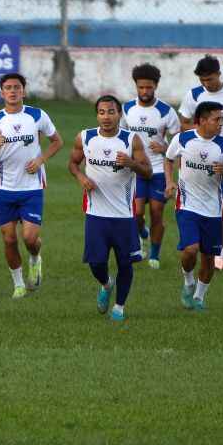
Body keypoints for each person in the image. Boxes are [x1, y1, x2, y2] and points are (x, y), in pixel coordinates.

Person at [0, 72, 62, 298]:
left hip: (32, 187)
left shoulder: (36, 115)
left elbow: (57, 141)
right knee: (9, 239)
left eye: (16, 87)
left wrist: (41, 159)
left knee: (30, 238)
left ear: (23, 90)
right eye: (8, 88)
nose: (13, 91)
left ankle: (35, 258)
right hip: (4, 188)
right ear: (2, 92)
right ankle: (18, 284)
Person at [68, 95, 152, 322]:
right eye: (102, 112)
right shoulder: (85, 137)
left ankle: (119, 307)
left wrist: (132, 163)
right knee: (96, 263)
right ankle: (106, 284)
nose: (106, 117)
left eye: (111, 112)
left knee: (125, 263)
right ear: (97, 115)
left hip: (124, 216)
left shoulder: (131, 140)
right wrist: (81, 178)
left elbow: (148, 172)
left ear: (119, 115)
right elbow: (73, 163)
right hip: (96, 214)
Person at [165, 101, 223, 311]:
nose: (221, 123)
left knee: (208, 258)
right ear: (202, 120)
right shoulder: (183, 138)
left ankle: (198, 297)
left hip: (213, 209)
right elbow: (169, 159)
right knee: (190, 249)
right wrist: (170, 182)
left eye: (222, 119)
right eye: (217, 119)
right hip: (187, 204)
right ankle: (188, 281)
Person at [178, 55, 223, 269]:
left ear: (219, 74)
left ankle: (222, 251)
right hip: (199, 157)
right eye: (202, 80)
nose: (205, 84)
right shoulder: (193, 95)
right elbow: (183, 123)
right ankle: (201, 245)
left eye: (209, 79)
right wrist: (201, 134)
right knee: (202, 203)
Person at [121, 63, 180, 269]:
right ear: (136, 86)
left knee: (156, 212)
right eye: (141, 87)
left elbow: (179, 142)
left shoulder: (166, 111)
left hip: (158, 170)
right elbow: (121, 136)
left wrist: (165, 146)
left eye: (149, 87)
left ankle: (154, 254)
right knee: (136, 213)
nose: (144, 91)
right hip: (136, 169)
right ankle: (141, 232)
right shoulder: (127, 108)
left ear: (156, 86)